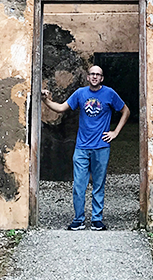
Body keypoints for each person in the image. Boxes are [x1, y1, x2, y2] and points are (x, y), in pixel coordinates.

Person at [41, 65, 129, 231]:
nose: (95, 77)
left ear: (102, 78)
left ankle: (97, 219)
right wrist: (45, 100)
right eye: (92, 74)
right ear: (88, 77)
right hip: (82, 147)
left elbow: (126, 111)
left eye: (98, 74)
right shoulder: (80, 94)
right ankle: (78, 219)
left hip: (101, 146)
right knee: (79, 185)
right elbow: (60, 108)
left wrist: (115, 132)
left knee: (98, 184)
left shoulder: (109, 93)